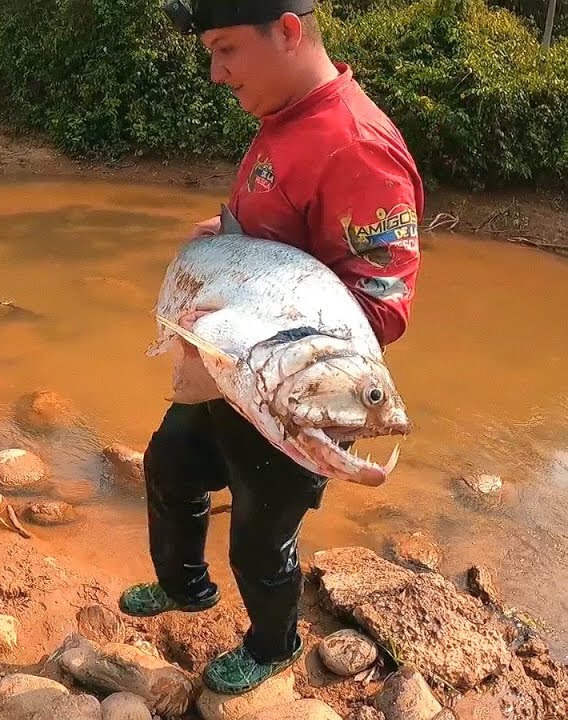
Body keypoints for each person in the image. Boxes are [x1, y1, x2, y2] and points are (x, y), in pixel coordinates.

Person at [120, 0, 423, 696]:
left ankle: (273, 642)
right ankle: (187, 588)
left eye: (226, 50)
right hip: (231, 368)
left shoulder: (357, 144)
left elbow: (380, 304)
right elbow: (284, 239)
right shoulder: (285, 117)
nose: (216, 73)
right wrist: (227, 235)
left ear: (287, 30)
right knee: (170, 465)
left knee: (260, 538)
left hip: (289, 393)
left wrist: (246, 311)